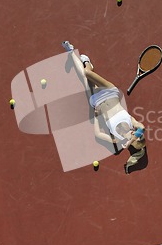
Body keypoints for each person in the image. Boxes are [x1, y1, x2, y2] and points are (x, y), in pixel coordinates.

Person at [62, 41, 146, 173]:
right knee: (87, 73)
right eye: (137, 135)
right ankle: (88, 64)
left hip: (96, 101)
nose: (135, 134)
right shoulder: (132, 124)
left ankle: (71, 52)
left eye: (135, 137)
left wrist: (96, 116)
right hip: (110, 91)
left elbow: (98, 134)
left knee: (84, 78)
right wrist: (135, 137)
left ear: (130, 142)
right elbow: (142, 127)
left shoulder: (117, 138)